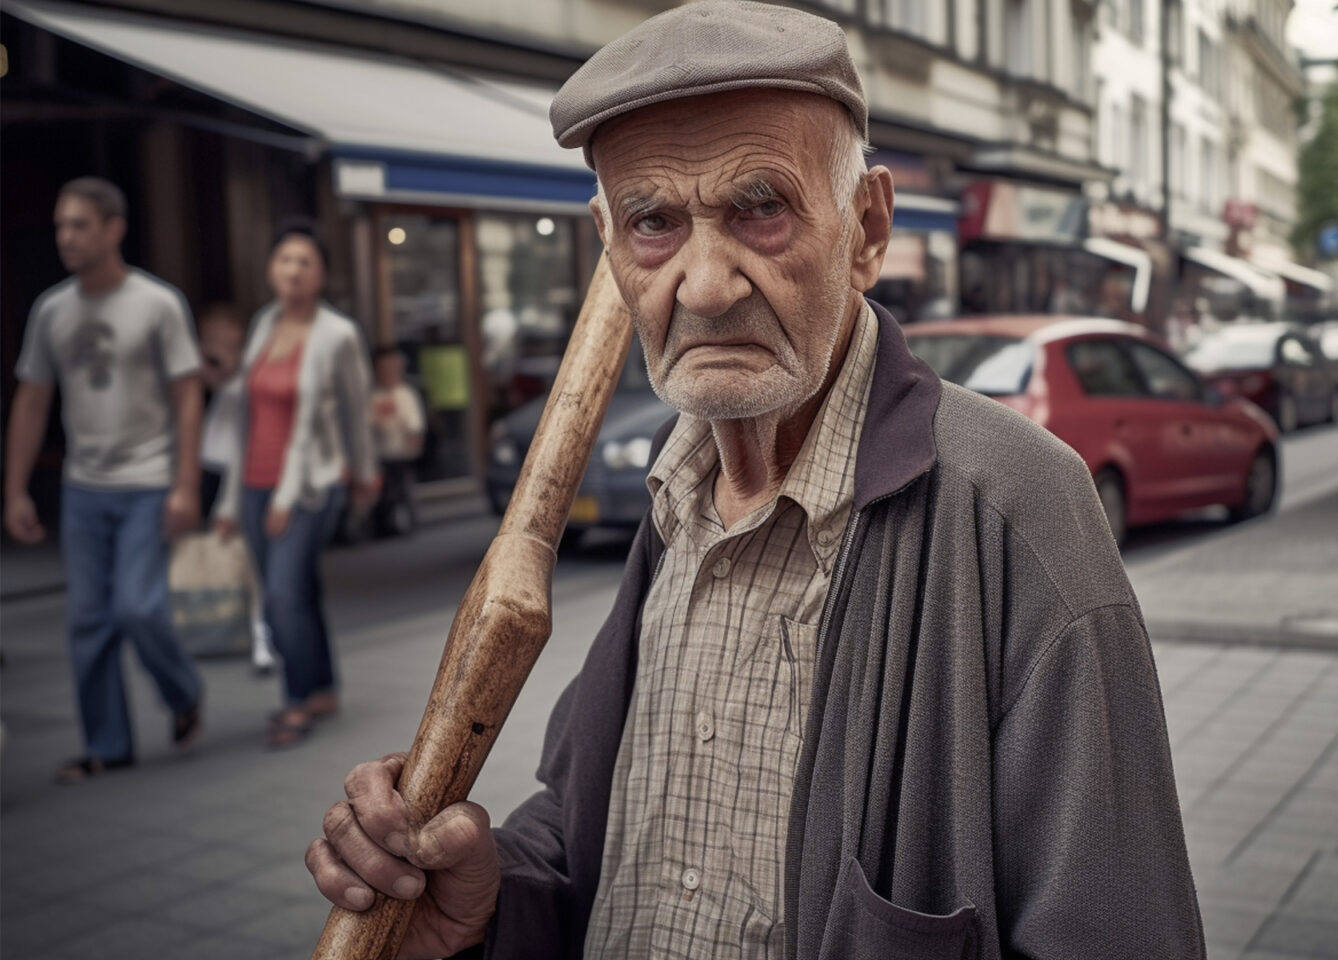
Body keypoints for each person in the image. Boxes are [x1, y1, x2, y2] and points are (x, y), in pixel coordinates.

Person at [305, 4, 1204, 958]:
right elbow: (600, 836)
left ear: (866, 228)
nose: (704, 285)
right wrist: (487, 901)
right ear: (610, 250)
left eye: (759, 207)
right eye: (653, 222)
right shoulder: (675, 504)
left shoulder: (1015, 510)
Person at [4, 176, 205, 783]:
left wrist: (186, 485)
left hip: (148, 479)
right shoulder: (52, 310)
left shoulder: (157, 303)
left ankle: (182, 690)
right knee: (88, 620)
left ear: (113, 229)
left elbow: (189, 394)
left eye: (79, 225)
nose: (66, 236)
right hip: (83, 486)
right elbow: (32, 402)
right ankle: (107, 744)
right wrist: (14, 489)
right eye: (61, 225)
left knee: (138, 608)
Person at [213, 218, 380, 748]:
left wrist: (366, 469)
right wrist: (230, 498)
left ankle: (296, 701)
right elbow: (243, 418)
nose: (293, 270)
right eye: (285, 259)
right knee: (298, 590)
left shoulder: (338, 335)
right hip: (256, 480)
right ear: (270, 268)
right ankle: (323, 685)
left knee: (281, 598)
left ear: (322, 274)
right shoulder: (263, 325)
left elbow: (355, 411)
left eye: (305, 262)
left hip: (313, 482)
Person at [196, 302, 276, 674]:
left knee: (252, 564)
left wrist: (228, 506)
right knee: (233, 559)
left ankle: (262, 635)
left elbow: (244, 445)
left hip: (240, 479)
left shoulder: (249, 378)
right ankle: (239, 627)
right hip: (211, 471)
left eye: (222, 338)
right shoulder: (216, 377)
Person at [368, 345, 425, 536]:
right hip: (379, 453)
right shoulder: (373, 395)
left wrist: (414, 442)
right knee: (382, 491)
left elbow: (414, 423)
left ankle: (405, 519)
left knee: (401, 488)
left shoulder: (405, 394)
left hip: (400, 452)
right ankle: (381, 521)